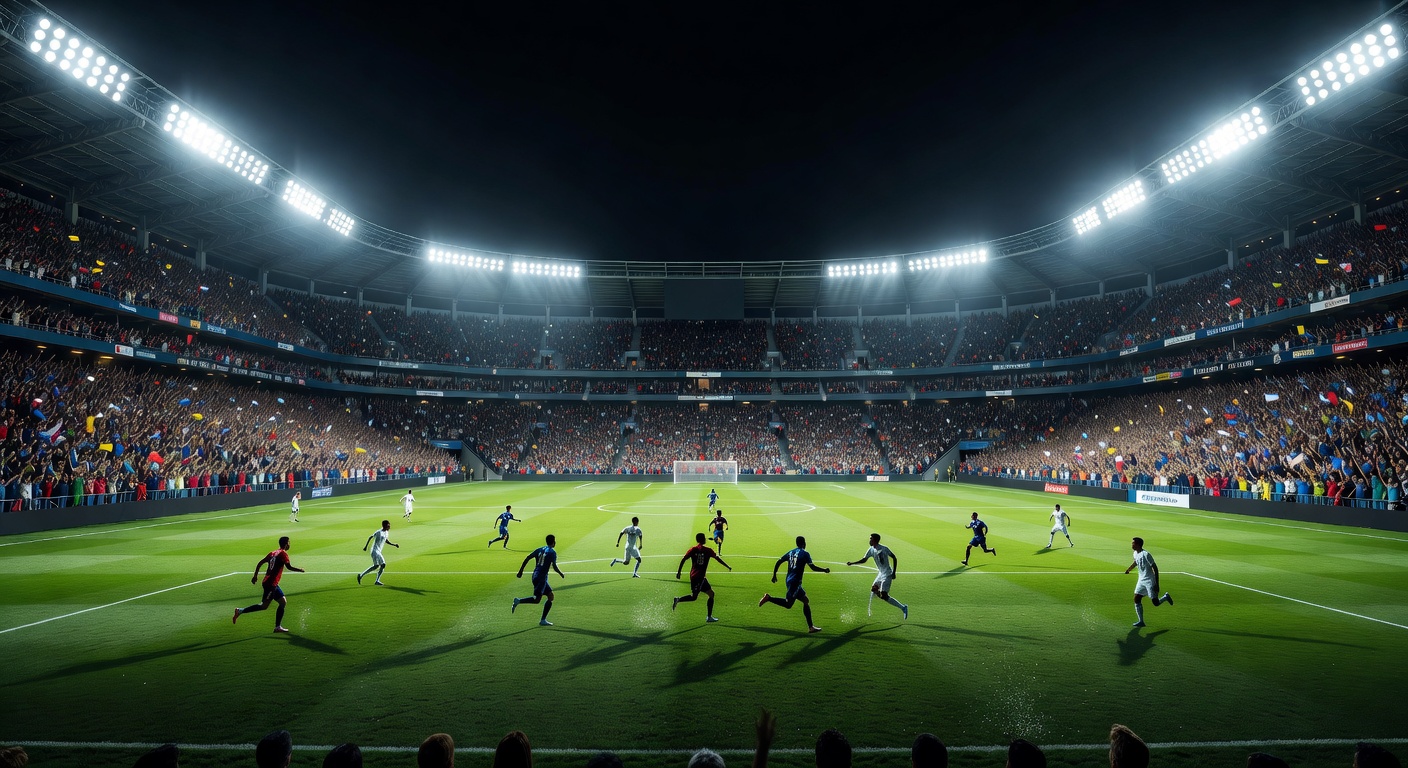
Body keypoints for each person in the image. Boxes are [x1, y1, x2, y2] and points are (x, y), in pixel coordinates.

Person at [233, 536, 305, 633]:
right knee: (264, 606)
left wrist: (255, 576)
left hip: (269, 582)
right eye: (289, 542)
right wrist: (300, 570)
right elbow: (289, 567)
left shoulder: (273, 553)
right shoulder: (283, 554)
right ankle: (240, 611)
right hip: (271, 584)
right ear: (286, 543)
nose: (289, 544)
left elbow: (260, 563)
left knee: (283, 602)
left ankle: (278, 627)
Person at [759, 535, 830, 633]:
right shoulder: (805, 553)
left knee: (805, 600)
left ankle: (811, 627)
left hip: (789, 580)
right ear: (804, 543)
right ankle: (768, 598)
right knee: (788, 604)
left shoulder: (791, 552)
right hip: (795, 582)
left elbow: (779, 561)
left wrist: (774, 575)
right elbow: (813, 567)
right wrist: (825, 570)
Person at [846, 532, 907, 619]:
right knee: (874, 589)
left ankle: (903, 607)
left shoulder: (884, 549)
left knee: (884, 595)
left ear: (875, 540)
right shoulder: (871, 549)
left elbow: (894, 557)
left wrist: (894, 573)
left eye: (871, 538)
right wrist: (852, 563)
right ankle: (883, 595)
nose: (869, 540)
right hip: (881, 573)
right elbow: (864, 560)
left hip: (887, 574)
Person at [674, 532, 732, 622]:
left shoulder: (693, 549)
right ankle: (678, 599)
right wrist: (727, 566)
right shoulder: (708, 550)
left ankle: (709, 617)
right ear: (703, 539)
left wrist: (679, 572)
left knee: (711, 594)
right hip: (698, 577)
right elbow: (718, 559)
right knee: (694, 597)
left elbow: (683, 559)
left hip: (697, 576)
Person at [513, 534, 566, 626]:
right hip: (541, 578)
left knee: (550, 596)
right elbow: (554, 566)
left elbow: (527, 558)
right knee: (537, 600)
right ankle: (518, 601)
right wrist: (561, 573)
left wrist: (520, 571)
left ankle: (543, 620)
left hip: (536, 575)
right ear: (553, 542)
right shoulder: (552, 552)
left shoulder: (540, 549)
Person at [1123, 537, 1173, 627]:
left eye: (1133, 543)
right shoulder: (1135, 553)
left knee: (1155, 603)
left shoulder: (1146, 554)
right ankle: (1141, 621)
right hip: (1141, 580)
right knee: (1136, 598)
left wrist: (1157, 584)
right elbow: (1135, 562)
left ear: (1138, 544)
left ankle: (1165, 597)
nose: (1132, 545)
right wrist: (1128, 570)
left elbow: (1155, 568)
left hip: (1149, 580)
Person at [359, 519, 400, 585]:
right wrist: (366, 547)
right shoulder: (379, 532)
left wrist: (394, 544)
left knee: (376, 566)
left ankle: (362, 576)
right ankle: (375, 580)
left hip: (378, 551)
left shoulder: (386, 532)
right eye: (388, 525)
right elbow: (370, 537)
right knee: (382, 564)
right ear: (384, 526)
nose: (389, 527)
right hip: (374, 551)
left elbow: (386, 541)